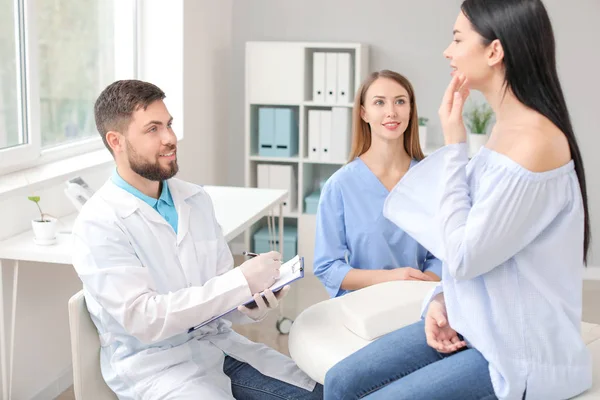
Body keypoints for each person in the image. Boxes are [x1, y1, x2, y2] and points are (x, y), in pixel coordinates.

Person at [323, 0, 592, 399]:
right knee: (340, 382)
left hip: (515, 351)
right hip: (475, 321)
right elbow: (481, 244)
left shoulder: (536, 143)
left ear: (494, 51)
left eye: (457, 39)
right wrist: (442, 299)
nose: (448, 51)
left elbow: (463, 253)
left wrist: (453, 147)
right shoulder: (506, 130)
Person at [71, 80, 323, 399]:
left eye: (169, 125)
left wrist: (251, 301)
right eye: (153, 129)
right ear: (116, 141)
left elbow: (217, 298)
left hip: (220, 347)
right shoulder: (99, 223)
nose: (170, 139)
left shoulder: (195, 199)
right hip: (158, 368)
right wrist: (239, 283)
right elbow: (144, 319)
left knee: (322, 394)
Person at [313, 70, 441, 298]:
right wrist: (391, 279)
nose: (391, 112)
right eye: (379, 102)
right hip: (363, 305)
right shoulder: (340, 186)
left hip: (420, 303)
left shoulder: (432, 179)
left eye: (400, 101)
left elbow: (444, 255)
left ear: (411, 110)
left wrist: (422, 286)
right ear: (364, 113)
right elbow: (327, 267)